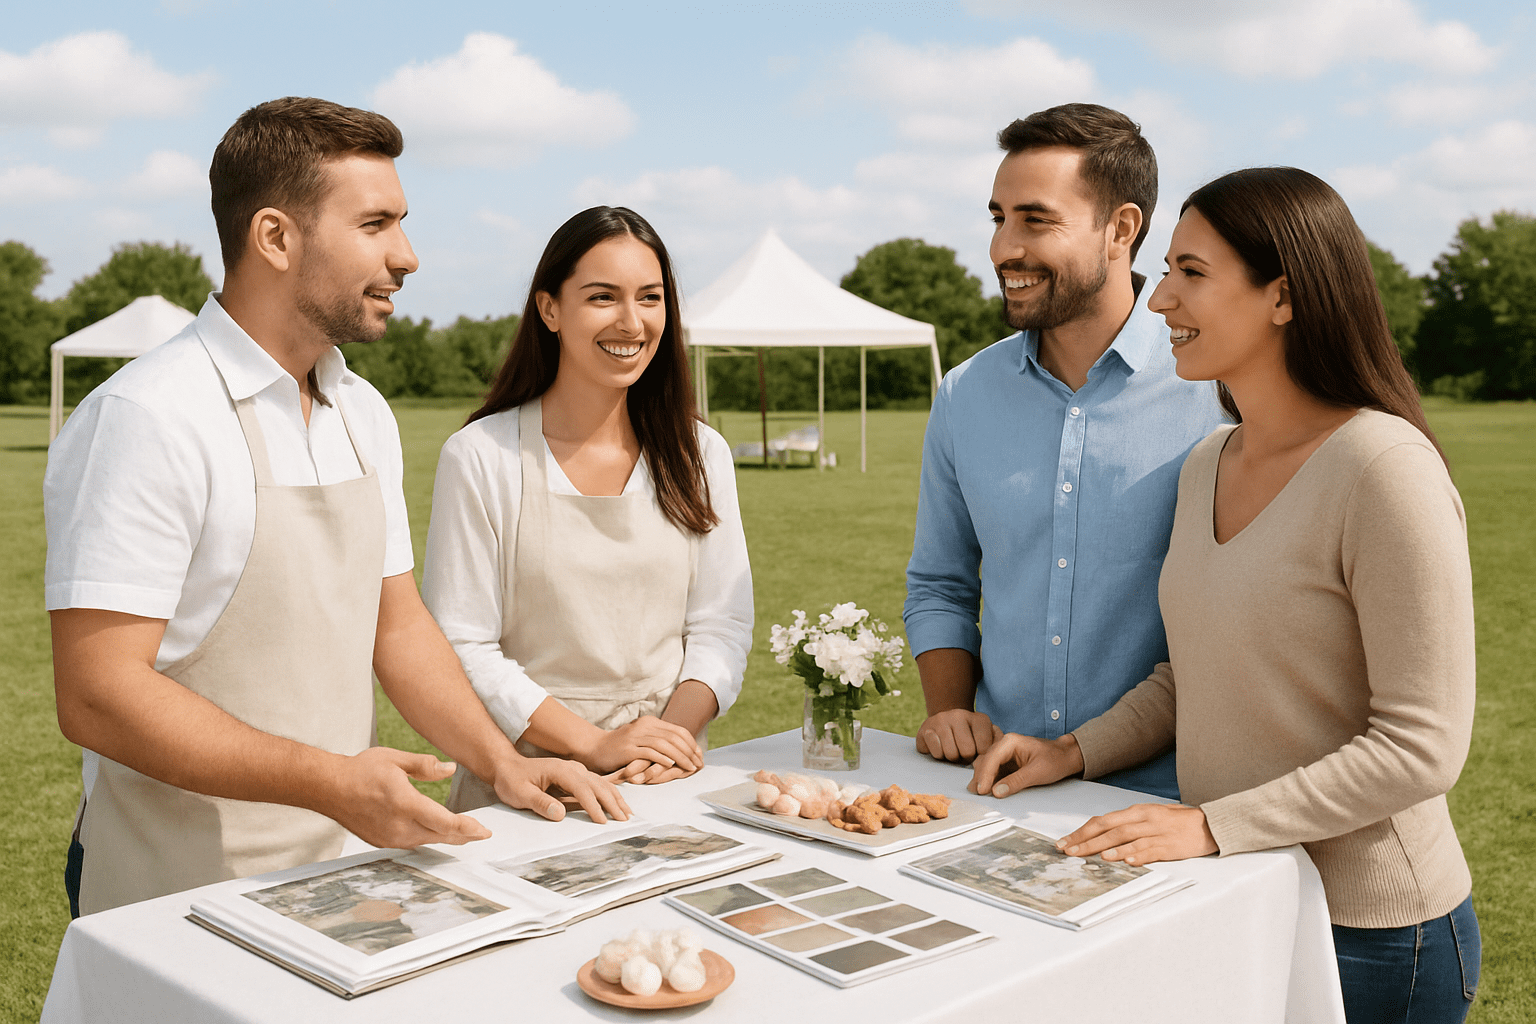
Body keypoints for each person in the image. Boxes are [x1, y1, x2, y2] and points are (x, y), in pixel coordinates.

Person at [45, 97, 628, 918]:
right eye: (376, 224)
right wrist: (328, 780)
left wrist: (501, 763)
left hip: (335, 876)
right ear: (277, 237)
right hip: (171, 888)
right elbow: (98, 693)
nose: (408, 255)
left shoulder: (362, 412)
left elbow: (397, 625)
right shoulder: (147, 417)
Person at [970, 167, 1480, 1023]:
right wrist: (1074, 752)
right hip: (1240, 897)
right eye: (1165, 269)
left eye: (1191, 273)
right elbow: (1191, 672)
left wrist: (1212, 825)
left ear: (1282, 296)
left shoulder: (1384, 470)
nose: (1160, 298)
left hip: (1375, 933)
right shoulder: (1211, 462)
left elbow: (1422, 747)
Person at [904, 103, 1227, 799]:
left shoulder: (1215, 391)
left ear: (1121, 229)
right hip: (994, 788)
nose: (1002, 249)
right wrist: (950, 711)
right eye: (998, 218)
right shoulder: (964, 395)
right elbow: (940, 583)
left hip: (1164, 798)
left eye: (1035, 219)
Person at [421, 206, 752, 810]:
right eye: (603, 297)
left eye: (650, 298)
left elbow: (721, 623)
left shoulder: (701, 453)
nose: (632, 322)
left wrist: (667, 743)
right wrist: (594, 744)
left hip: (665, 785)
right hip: (526, 790)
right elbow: (461, 645)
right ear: (550, 308)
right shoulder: (480, 456)